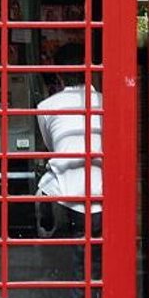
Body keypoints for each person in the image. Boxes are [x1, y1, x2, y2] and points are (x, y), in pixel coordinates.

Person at [36, 42, 103, 239]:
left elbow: (52, 147)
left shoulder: (45, 106)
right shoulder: (105, 102)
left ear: (59, 72)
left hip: (61, 196)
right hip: (100, 194)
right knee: (95, 262)